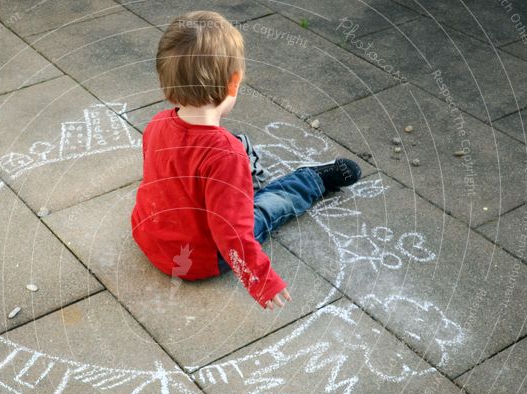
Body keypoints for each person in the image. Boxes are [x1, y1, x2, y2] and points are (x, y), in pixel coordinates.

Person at [130, 10, 361, 309]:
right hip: (201, 260)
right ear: (233, 83)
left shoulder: (158, 123)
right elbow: (231, 232)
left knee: (225, 156)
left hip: (149, 238)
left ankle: (244, 172)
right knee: (267, 206)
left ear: (165, 81)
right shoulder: (225, 155)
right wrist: (261, 280)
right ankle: (312, 180)